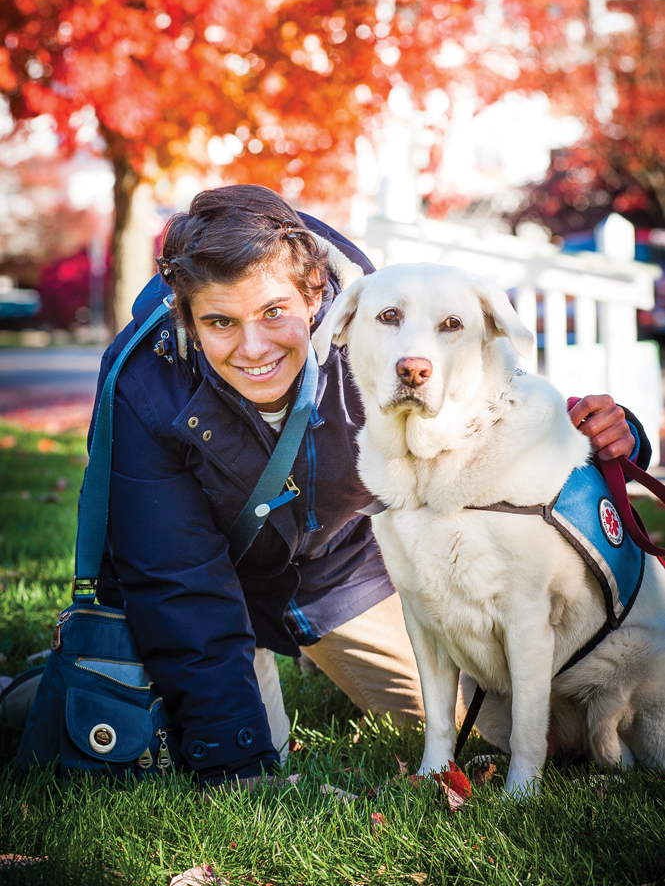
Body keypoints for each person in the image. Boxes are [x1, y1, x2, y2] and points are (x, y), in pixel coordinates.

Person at [92, 184, 649, 790]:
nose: (253, 347)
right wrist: (236, 761)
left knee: (498, 721)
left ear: (317, 299)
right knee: (137, 720)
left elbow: (493, 396)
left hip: (343, 571)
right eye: (220, 321)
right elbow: (176, 581)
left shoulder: (382, 322)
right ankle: (51, 683)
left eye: (274, 313)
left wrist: (616, 435)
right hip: (210, 583)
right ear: (189, 320)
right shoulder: (143, 385)